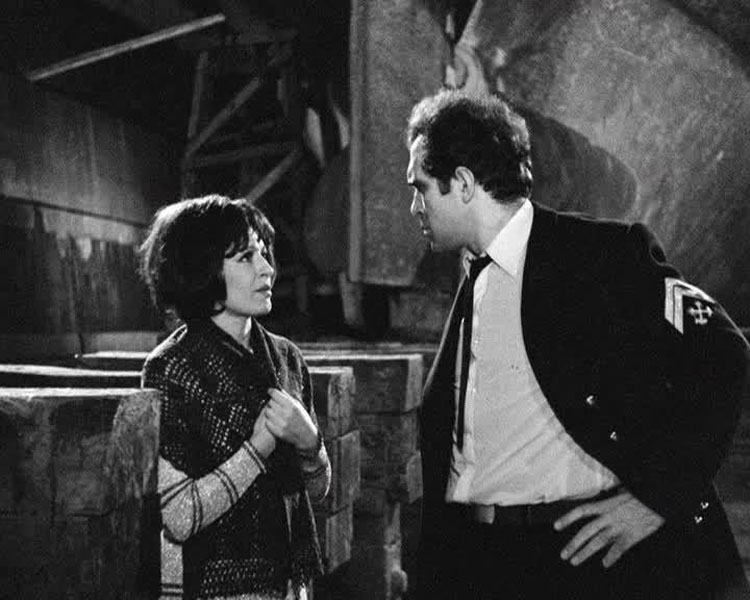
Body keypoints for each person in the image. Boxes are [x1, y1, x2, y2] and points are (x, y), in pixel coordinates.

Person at [405, 89, 750, 599]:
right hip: (483, 564)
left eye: (420, 188)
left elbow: (724, 353)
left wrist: (658, 498)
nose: (415, 206)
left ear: (463, 183)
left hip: (581, 563)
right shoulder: (470, 276)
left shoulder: (602, 256)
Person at [139, 195, 330, 600]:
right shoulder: (172, 368)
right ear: (203, 270)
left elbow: (318, 491)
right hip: (214, 589)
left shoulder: (287, 359)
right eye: (246, 257)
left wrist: (310, 442)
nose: (267, 268)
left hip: (291, 586)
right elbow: (178, 516)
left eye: (263, 252)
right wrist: (258, 449)